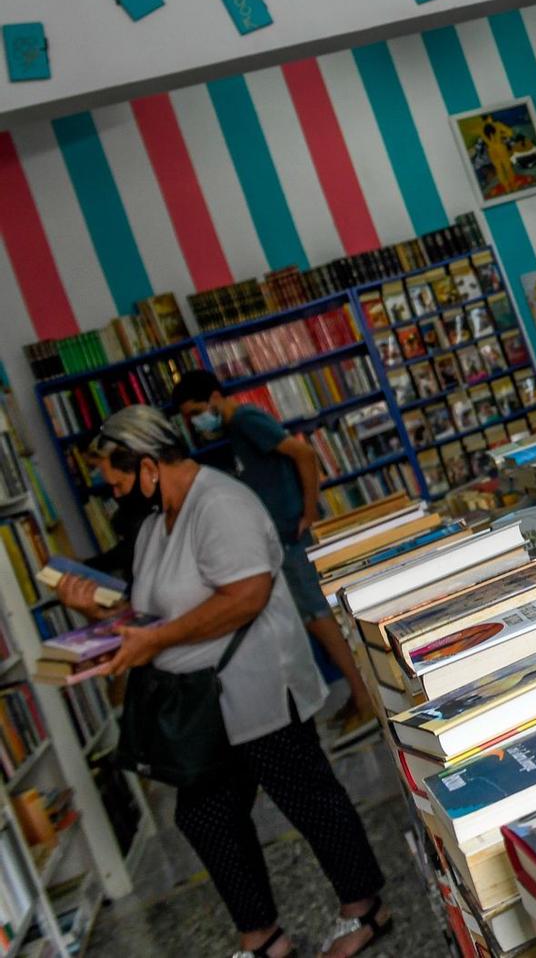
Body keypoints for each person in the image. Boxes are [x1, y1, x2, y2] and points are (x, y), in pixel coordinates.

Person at [57, 407, 390, 958]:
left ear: (146, 465)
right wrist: (97, 616)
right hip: (205, 705)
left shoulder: (221, 505)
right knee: (205, 816)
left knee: (306, 798)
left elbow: (246, 598)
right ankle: (262, 938)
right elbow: (153, 613)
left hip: (258, 690)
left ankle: (366, 909)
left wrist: (155, 643)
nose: (111, 490)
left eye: (115, 477)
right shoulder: (156, 522)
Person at [172, 370, 375, 740]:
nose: (195, 421)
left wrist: (309, 510)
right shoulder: (235, 430)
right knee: (315, 620)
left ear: (215, 397)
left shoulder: (248, 420)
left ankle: (365, 700)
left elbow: (304, 453)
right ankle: (358, 695)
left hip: (290, 537)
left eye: (197, 410)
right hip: (279, 539)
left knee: (320, 620)